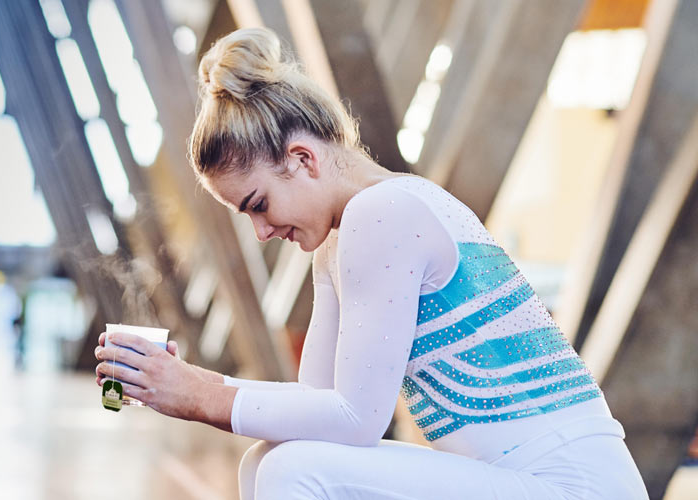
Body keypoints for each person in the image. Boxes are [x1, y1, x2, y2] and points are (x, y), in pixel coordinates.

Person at [93, 27, 648, 499]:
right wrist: (190, 383)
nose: (262, 230)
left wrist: (200, 395)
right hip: (517, 481)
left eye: (258, 204)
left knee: (292, 469)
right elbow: (319, 408)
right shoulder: (345, 237)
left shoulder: (384, 213)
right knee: (267, 460)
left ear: (303, 158)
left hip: (573, 486)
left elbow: (357, 421)